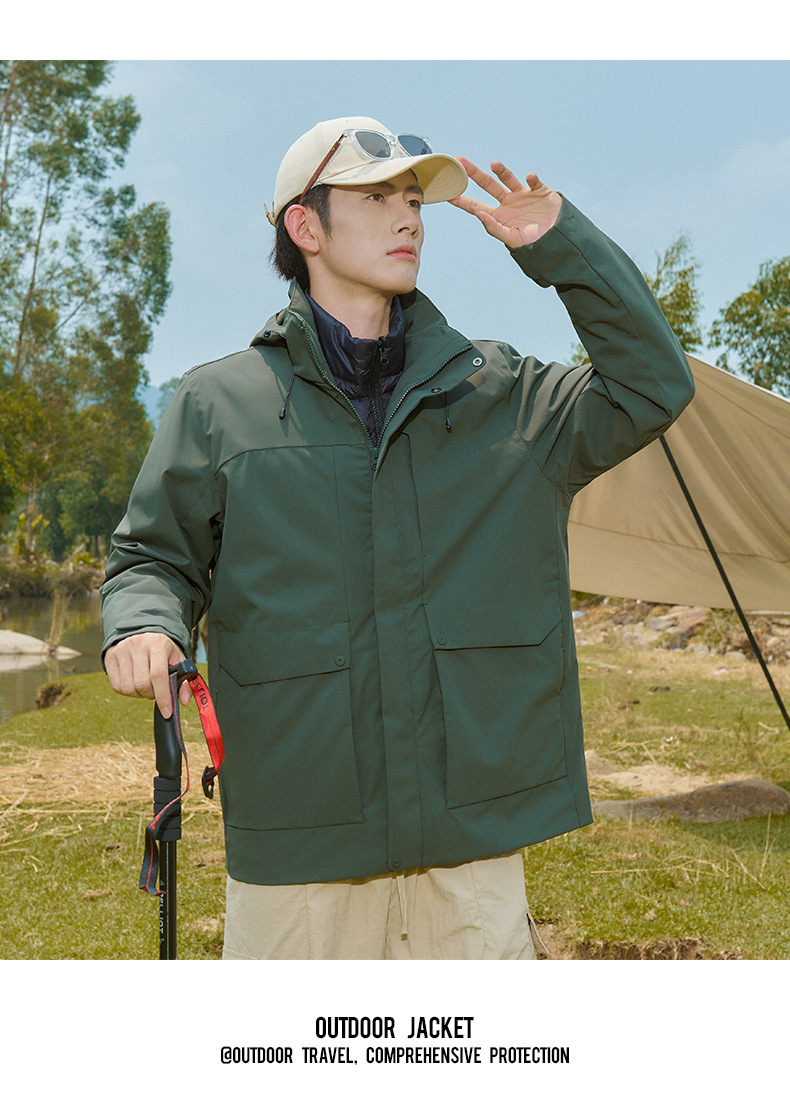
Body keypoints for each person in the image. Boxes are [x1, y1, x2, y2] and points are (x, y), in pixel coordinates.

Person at [101, 115, 695, 960]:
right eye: (377, 198)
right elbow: (153, 556)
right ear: (305, 226)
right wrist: (143, 623)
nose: (409, 218)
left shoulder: (503, 396)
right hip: (300, 837)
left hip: (471, 843)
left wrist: (562, 249)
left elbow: (652, 385)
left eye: (413, 201)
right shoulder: (216, 405)